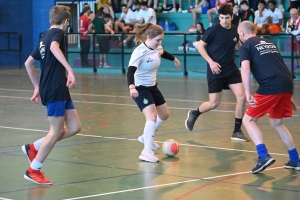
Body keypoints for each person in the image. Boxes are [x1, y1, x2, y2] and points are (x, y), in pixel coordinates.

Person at [22, 5, 81, 185]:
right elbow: (55, 48)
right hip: (55, 88)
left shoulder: (43, 37)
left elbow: (28, 63)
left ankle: (34, 147)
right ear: (65, 22)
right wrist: (70, 70)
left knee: (74, 127)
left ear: (50, 20)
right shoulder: (57, 35)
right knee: (55, 131)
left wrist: (37, 87)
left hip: (57, 87)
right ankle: (33, 169)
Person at [238, 21, 299, 173]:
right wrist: (287, 94)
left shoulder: (246, 46)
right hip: (286, 83)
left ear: (242, 33)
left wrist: (247, 92)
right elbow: (278, 64)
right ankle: (295, 159)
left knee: (248, 119)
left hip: (271, 86)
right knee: (276, 123)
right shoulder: (268, 41)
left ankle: (263, 156)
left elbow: (245, 70)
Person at [185, 4, 249, 142]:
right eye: (221, 18)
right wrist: (211, 62)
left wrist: (245, 51)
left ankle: (236, 131)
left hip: (231, 69)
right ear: (218, 17)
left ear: (232, 17)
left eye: (227, 18)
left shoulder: (235, 30)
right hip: (216, 70)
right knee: (214, 103)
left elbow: (237, 45)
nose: (224, 21)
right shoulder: (213, 30)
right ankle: (194, 113)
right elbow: (201, 46)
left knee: (242, 97)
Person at [127, 23, 181, 162]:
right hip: (140, 88)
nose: (160, 43)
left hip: (153, 86)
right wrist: (131, 87)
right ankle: (146, 151)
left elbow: (163, 53)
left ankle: (145, 137)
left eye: (161, 40)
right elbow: (130, 71)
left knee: (165, 114)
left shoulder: (157, 48)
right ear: (149, 37)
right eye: (158, 40)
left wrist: (174, 59)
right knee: (152, 116)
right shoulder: (139, 52)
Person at [286, 8, 300, 74]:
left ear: (297, 14)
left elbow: (298, 32)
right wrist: (292, 31)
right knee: (294, 54)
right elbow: (287, 31)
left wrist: (292, 31)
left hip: (299, 40)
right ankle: (298, 67)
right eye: (291, 15)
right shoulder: (290, 21)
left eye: (294, 14)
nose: (293, 16)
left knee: (299, 53)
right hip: (293, 40)